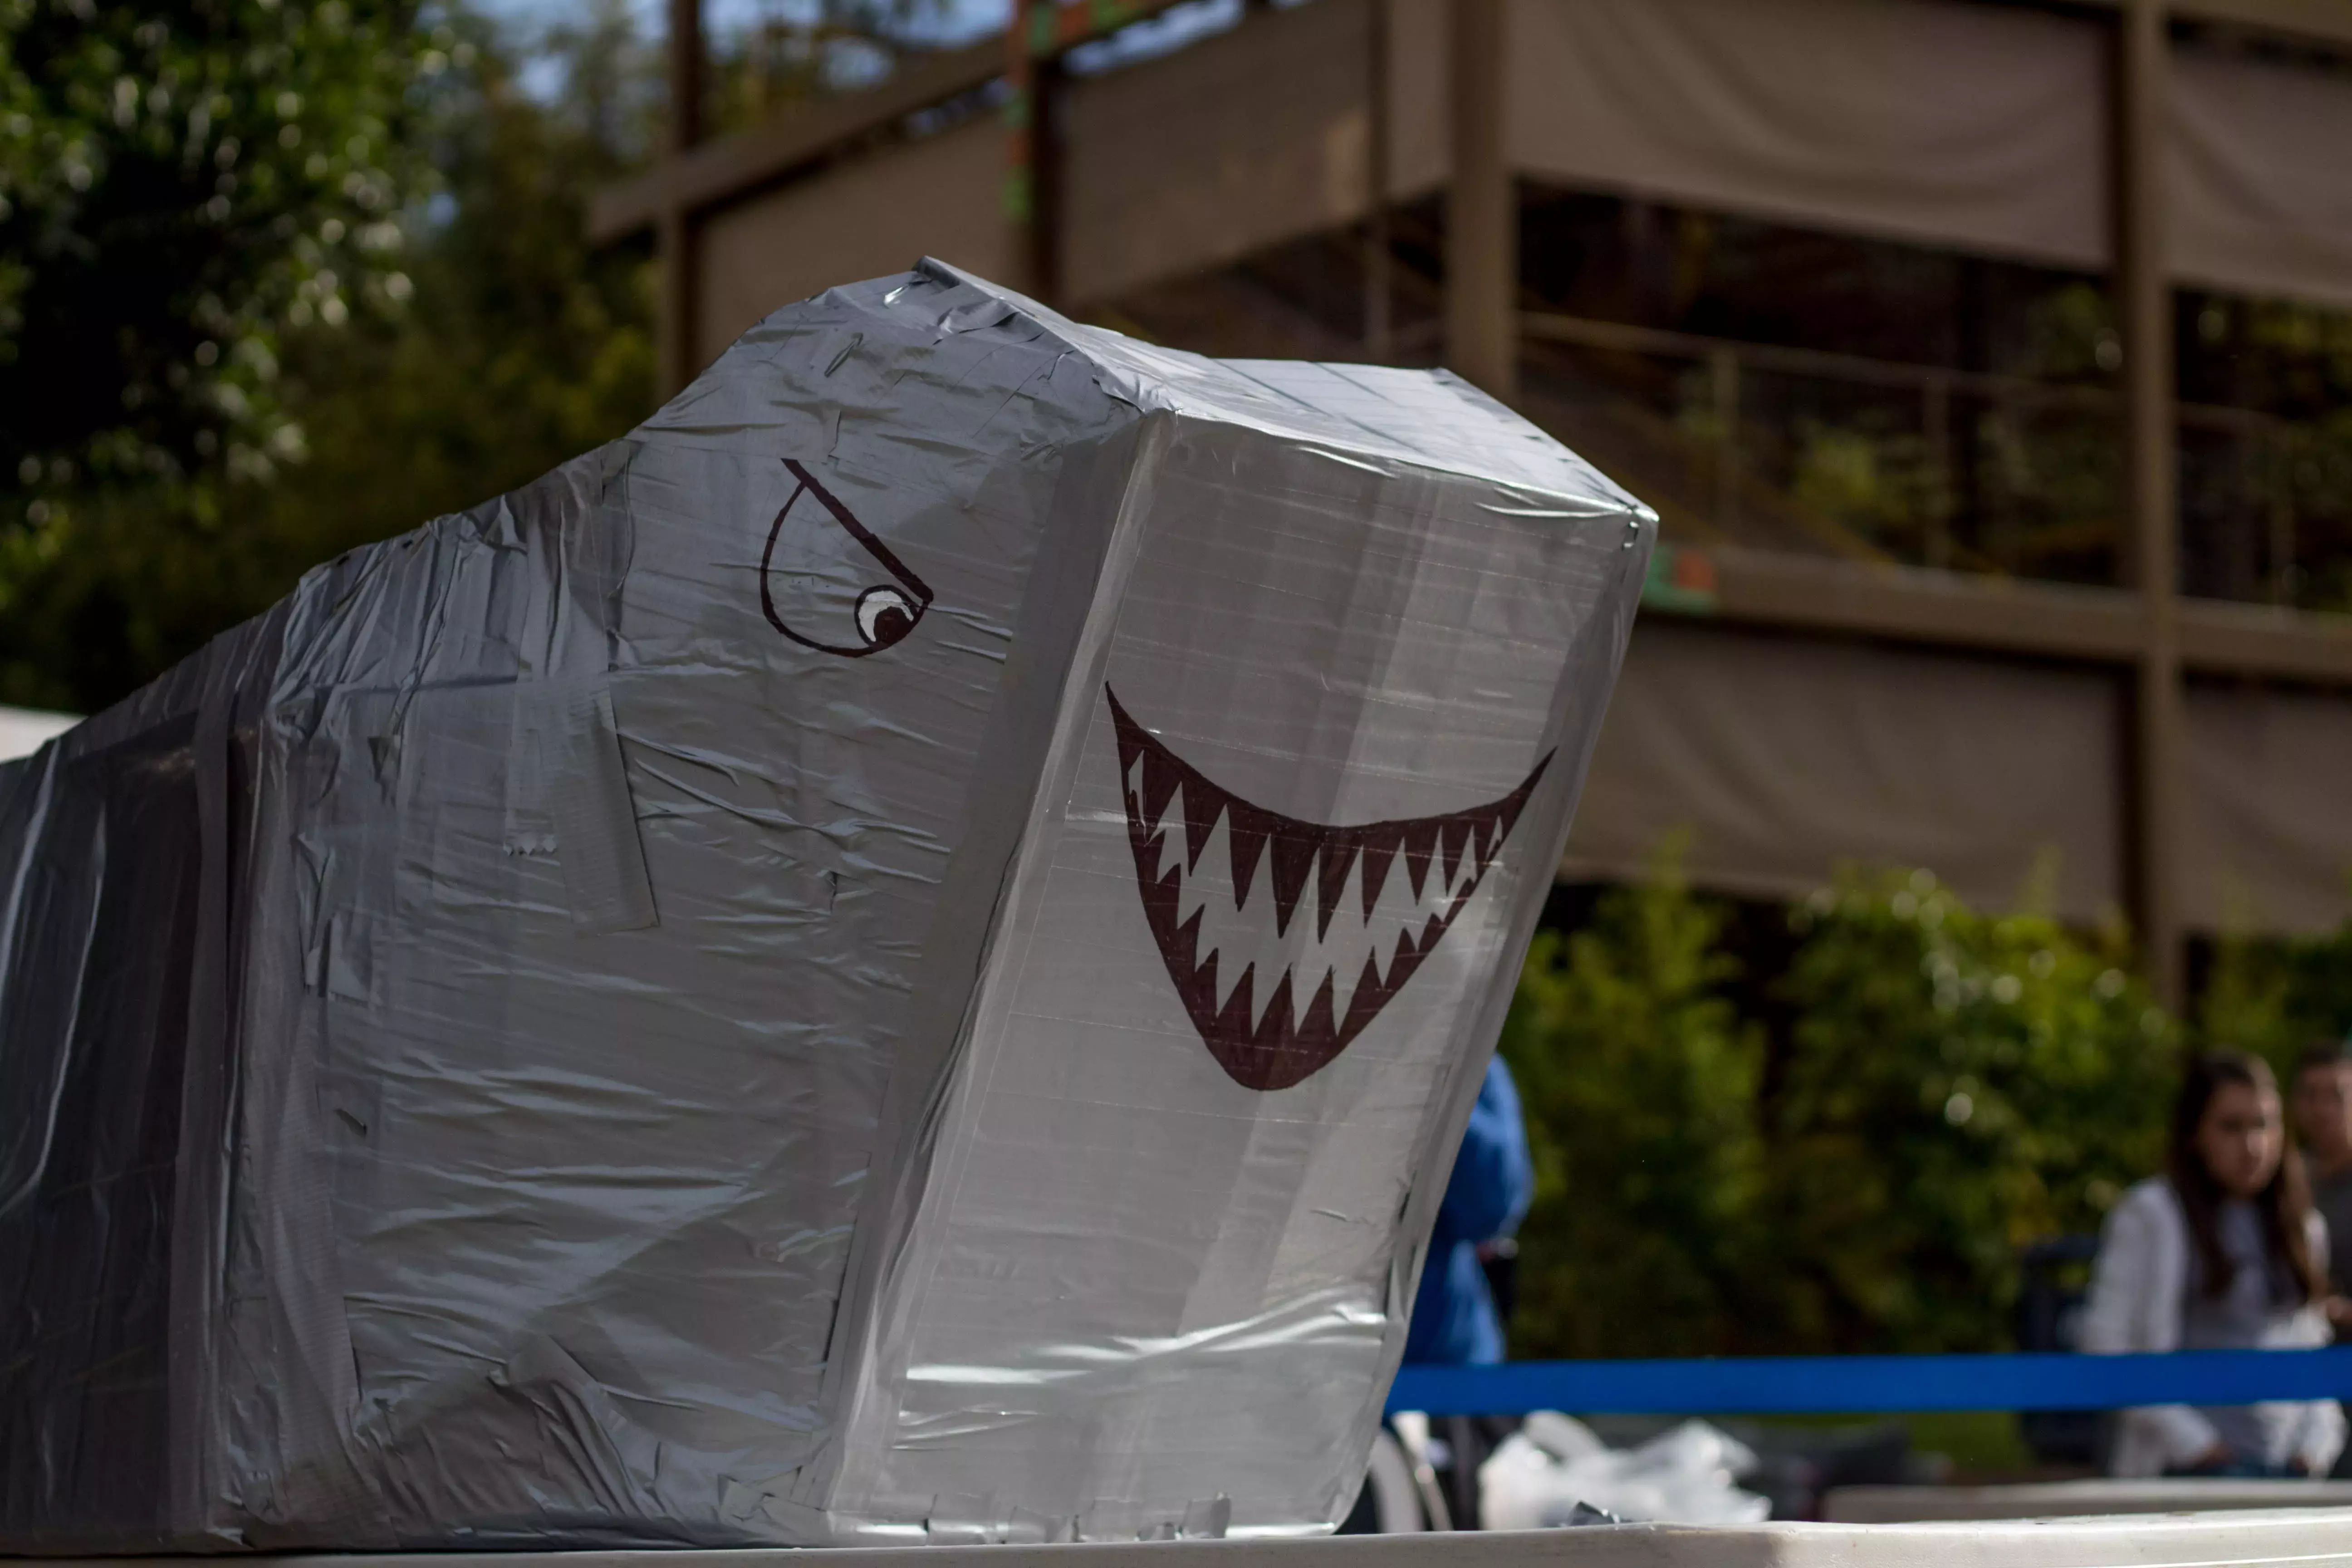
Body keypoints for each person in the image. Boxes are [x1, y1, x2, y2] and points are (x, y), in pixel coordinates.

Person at [2081, 1050, 2344, 1478]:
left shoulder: (2303, 1224)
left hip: (2289, 1471)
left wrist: (2316, 1448)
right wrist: (2198, 1446)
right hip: (2191, 1472)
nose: (2252, 1146)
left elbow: (2310, 1351)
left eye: (2264, 1125)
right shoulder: (2152, 1214)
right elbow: (2106, 1346)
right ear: (2194, 1134)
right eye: (2231, 1127)